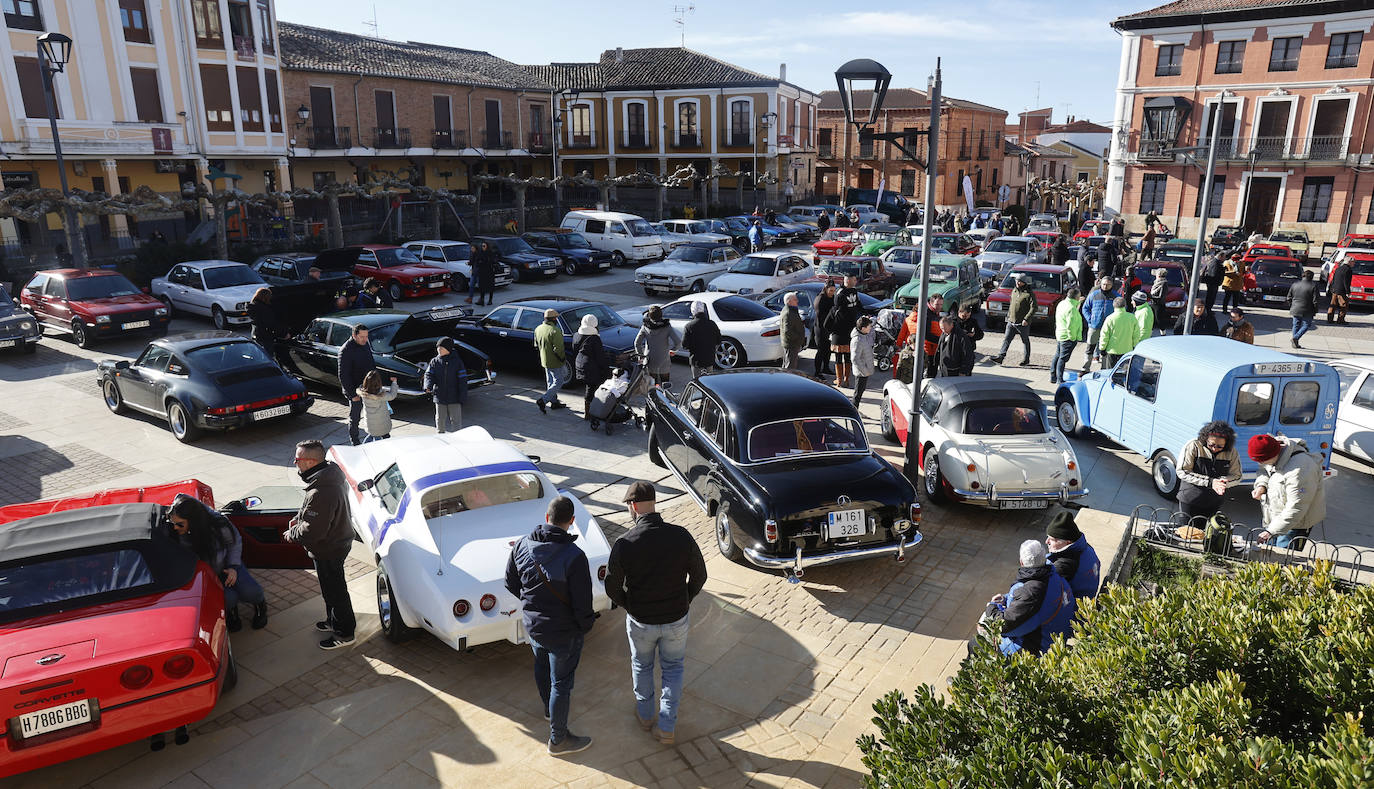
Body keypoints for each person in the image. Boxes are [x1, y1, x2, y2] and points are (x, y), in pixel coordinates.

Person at [603, 481, 707, 747]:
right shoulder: (681, 535)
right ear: (654, 503)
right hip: (675, 619)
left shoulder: (625, 543)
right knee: (673, 668)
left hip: (641, 622)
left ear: (633, 506)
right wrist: (685, 598)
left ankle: (646, 716)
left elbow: (612, 587)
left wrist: (630, 605)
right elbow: (700, 575)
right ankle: (667, 726)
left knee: (642, 666)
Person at [504, 495, 597, 756]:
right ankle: (558, 740)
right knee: (562, 684)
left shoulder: (521, 544)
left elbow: (511, 582)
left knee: (542, 667)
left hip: (534, 627)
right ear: (572, 521)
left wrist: (531, 604)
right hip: (564, 633)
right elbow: (582, 603)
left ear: (547, 518)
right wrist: (585, 625)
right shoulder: (574, 556)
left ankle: (548, 710)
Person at [285, 440, 356, 650]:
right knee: (330, 588)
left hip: (330, 548)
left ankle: (345, 633)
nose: (295, 463)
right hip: (335, 542)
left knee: (335, 591)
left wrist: (292, 533)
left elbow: (313, 531)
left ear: (310, 461)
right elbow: (311, 509)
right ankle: (333, 621)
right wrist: (299, 517)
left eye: (297, 460)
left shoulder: (323, 490)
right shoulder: (326, 475)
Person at [168, 493, 268, 632]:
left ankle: (260, 606)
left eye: (179, 524)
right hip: (209, 573)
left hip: (229, 564)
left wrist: (233, 567)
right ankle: (232, 613)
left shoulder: (219, 523)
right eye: (173, 523)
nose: (175, 527)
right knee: (228, 598)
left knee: (251, 591)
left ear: (194, 520)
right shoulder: (183, 532)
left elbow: (234, 543)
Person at [976, 540, 1074, 657]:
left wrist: (992, 607)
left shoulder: (1031, 592)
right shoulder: (1054, 575)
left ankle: (969, 675)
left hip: (1039, 649)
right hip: (1056, 637)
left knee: (976, 643)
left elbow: (1005, 626)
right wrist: (1006, 598)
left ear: (1021, 562)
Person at [1248, 433, 1327, 548]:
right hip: (1275, 520)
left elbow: (1297, 507)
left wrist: (1271, 531)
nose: (1261, 463)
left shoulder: (1300, 470)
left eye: (1263, 461)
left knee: (1283, 559)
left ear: (1275, 453)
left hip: (1295, 525)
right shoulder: (1272, 454)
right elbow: (1264, 470)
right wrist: (1262, 485)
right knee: (1269, 556)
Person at [1176, 420, 1242, 523]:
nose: (1215, 448)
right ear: (1205, 438)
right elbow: (1182, 471)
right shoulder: (1193, 445)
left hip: (1213, 502)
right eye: (1211, 445)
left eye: (1220, 446)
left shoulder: (1232, 452)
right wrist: (1210, 482)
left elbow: (1237, 476)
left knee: (1206, 535)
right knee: (1186, 532)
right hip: (1190, 498)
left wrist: (1223, 481)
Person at [1044, 510, 1101, 602]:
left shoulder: (1064, 566)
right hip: (1088, 598)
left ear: (1068, 542)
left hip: (1076, 611)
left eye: (1052, 539)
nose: (1047, 542)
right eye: (1048, 537)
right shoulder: (1086, 548)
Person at [338, 324, 376, 446]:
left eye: (366, 336)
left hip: (368, 387)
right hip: (355, 390)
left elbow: (371, 363)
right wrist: (353, 394)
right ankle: (355, 442)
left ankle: (378, 436)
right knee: (355, 418)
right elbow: (343, 375)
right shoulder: (346, 350)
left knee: (375, 414)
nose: (365, 339)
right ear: (354, 335)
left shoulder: (365, 344)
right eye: (362, 337)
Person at [573, 314, 610, 427]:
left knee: (590, 387)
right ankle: (591, 412)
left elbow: (575, 350)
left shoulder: (576, 335)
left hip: (579, 364)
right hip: (591, 367)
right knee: (594, 388)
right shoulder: (594, 338)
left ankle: (588, 411)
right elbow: (600, 357)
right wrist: (606, 370)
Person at [424, 337, 467, 432]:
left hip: (454, 397)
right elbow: (429, 374)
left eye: (441, 348)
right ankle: (440, 435)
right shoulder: (434, 361)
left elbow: (463, 381)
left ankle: (457, 438)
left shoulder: (457, 362)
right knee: (439, 419)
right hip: (439, 396)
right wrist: (428, 386)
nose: (439, 350)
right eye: (438, 348)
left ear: (448, 349)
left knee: (456, 420)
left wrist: (462, 397)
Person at [991, 274, 1034, 367]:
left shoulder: (1029, 294)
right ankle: (1000, 357)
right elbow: (1011, 304)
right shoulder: (1014, 290)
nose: (1018, 283)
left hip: (1022, 323)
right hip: (1011, 321)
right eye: (1017, 281)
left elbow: (1034, 308)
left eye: (1020, 281)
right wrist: (1008, 315)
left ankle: (1026, 359)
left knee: (1025, 341)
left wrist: (1026, 319)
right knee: (1006, 339)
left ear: (1024, 282)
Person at [827, 274, 862, 387]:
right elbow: (836, 312)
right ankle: (840, 379)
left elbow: (857, 306)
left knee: (847, 356)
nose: (856, 281)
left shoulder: (853, 291)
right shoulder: (840, 293)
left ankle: (845, 380)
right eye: (854, 279)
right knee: (839, 356)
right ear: (848, 280)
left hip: (850, 330)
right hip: (840, 330)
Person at [635, 305, 679, 387]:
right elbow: (678, 342)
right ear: (661, 315)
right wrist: (672, 350)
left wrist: (641, 357)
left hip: (650, 360)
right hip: (664, 360)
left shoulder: (645, 327)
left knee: (653, 386)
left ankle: (655, 397)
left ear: (650, 316)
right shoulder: (667, 326)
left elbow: (637, 343)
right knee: (665, 385)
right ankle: (665, 397)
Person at [535, 308, 569, 413]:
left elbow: (536, 345)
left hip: (544, 360)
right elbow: (559, 349)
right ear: (553, 319)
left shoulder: (538, 328)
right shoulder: (555, 331)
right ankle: (543, 400)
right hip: (555, 361)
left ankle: (554, 402)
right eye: (556, 318)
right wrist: (563, 359)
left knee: (550, 381)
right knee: (559, 381)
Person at [1080, 277, 1117, 372]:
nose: (1105, 286)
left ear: (1112, 285)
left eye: (1108, 285)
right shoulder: (1094, 295)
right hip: (1094, 326)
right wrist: (1090, 320)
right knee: (1090, 348)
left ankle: (1104, 370)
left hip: (1109, 328)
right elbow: (1085, 308)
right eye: (1103, 284)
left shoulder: (1116, 296)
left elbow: (1120, 310)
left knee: (1105, 350)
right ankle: (1085, 368)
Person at [1050, 287, 1084, 385]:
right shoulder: (1072, 309)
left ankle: (1053, 376)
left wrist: (1078, 303)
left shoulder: (1063, 303)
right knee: (1063, 358)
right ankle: (1059, 379)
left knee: (1058, 355)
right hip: (1067, 337)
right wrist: (1073, 338)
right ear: (1077, 297)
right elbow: (1071, 326)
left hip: (1060, 334)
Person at [681, 301, 720, 380]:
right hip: (709, 359)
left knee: (697, 382)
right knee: (710, 382)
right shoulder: (712, 324)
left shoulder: (689, 326)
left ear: (693, 311)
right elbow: (719, 340)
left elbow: (684, 345)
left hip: (696, 360)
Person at [356, 369, 398, 442]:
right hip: (382, 426)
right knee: (383, 439)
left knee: (372, 435)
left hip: (370, 425)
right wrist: (394, 383)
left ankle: (364, 446)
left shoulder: (363, 394)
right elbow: (392, 395)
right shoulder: (381, 395)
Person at [1099, 296, 1139, 368]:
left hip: (1112, 350)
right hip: (1127, 350)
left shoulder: (1110, 318)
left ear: (1113, 305)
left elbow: (1104, 335)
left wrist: (1102, 348)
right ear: (1125, 305)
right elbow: (1136, 334)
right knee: (1124, 372)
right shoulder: (1132, 317)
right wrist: (1134, 345)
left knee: (1110, 372)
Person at [1288, 269, 1320, 349]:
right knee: (1306, 325)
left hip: (1295, 308)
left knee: (1296, 325)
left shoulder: (1295, 284)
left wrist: (1292, 305)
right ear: (1311, 277)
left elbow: (1289, 297)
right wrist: (1316, 309)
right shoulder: (1313, 286)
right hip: (1308, 309)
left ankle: (1295, 342)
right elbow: (1315, 300)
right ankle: (1295, 338)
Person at [850, 315, 876, 406]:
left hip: (865, 370)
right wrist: (865, 371)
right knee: (857, 394)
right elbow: (855, 358)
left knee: (860, 392)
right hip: (861, 371)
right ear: (863, 328)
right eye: (869, 326)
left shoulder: (863, 335)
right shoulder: (857, 340)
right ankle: (854, 411)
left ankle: (855, 409)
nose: (870, 328)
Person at [812, 282, 836, 378]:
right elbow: (821, 316)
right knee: (821, 351)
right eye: (831, 291)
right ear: (826, 289)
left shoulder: (832, 297)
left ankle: (826, 368)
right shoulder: (820, 299)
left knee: (828, 350)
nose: (832, 293)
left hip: (828, 328)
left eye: (834, 291)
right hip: (820, 328)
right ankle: (817, 372)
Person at [247, 287, 282, 352]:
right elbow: (271, 323)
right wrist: (283, 333)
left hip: (256, 333)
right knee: (268, 355)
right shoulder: (265, 309)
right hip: (265, 336)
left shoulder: (252, 306)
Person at [780, 292, 806, 371]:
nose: (797, 301)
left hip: (793, 343)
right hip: (792, 344)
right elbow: (788, 331)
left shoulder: (792, 310)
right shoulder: (788, 313)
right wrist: (798, 339)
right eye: (795, 299)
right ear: (789, 301)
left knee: (788, 364)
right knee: (790, 367)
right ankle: (787, 382)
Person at [1327, 257, 1353, 324]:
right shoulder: (1348, 270)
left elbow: (1334, 279)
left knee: (1333, 304)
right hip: (1342, 290)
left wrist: (1332, 288)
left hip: (1335, 289)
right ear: (1349, 262)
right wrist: (1348, 291)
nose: (1354, 264)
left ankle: (1330, 319)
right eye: (1353, 262)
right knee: (1343, 305)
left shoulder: (1338, 268)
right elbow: (1346, 282)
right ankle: (1340, 320)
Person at [1199, 248, 1225, 313]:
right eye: (1224, 257)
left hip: (1213, 283)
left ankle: (1209, 309)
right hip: (1212, 283)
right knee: (1211, 297)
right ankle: (1208, 310)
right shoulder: (1215, 263)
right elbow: (1214, 274)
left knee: (1211, 297)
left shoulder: (1216, 262)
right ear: (1220, 256)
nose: (1224, 259)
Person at [472, 240, 497, 306]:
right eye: (482, 246)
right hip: (482, 272)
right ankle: (482, 300)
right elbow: (477, 261)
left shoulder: (490, 253)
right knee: (482, 286)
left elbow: (492, 261)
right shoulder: (480, 253)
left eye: (484, 246)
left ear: (487, 246)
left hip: (489, 272)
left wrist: (484, 261)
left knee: (490, 286)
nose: (483, 247)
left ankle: (490, 300)